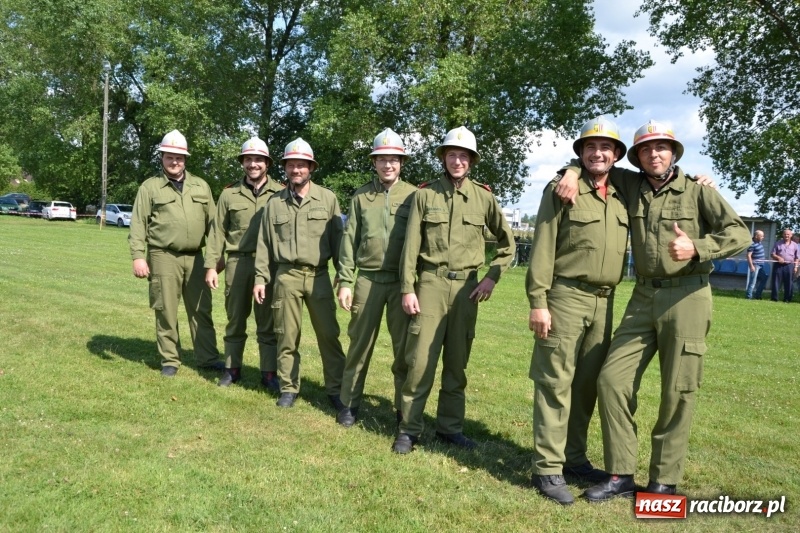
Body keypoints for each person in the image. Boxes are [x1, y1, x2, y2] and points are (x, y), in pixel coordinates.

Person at [555, 120, 750, 500]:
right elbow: (597, 162)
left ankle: (664, 481)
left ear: (673, 153)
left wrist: (697, 248)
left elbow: (739, 233)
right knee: (612, 380)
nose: (654, 154)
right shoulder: (631, 184)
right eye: (646, 149)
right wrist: (571, 169)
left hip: (688, 297)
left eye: (661, 148)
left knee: (677, 391)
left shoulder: (697, 191)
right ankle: (620, 475)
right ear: (638, 157)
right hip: (642, 298)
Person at [391, 126, 515, 454]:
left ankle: (449, 428)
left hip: (467, 289)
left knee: (457, 363)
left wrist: (492, 277)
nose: (457, 161)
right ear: (443, 158)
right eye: (451, 155)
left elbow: (508, 244)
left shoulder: (484, 197)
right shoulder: (425, 195)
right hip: (429, 284)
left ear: (471, 161)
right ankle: (409, 428)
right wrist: (408, 288)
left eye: (463, 155)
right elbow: (410, 247)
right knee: (419, 361)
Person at [526, 117, 629, 505]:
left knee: (586, 385)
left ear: (616, 155)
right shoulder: (562, 189)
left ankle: (572, 458)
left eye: (605, 147)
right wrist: (539, 301)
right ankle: (547, 469)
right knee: (555, 382)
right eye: (589, 147)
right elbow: (543, 245)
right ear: (580, 153)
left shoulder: (622, 194)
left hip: (605, 301)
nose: (597, 152)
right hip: (565, 296)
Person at [253, 138, 346, 408]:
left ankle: (336, 390)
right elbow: (264, 243)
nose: (296, 170)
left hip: (319, 277)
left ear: (311, 168)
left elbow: (338, 239)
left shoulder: (327, 198)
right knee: (286, 335)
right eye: (291, 165)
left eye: (301, 165)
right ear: (285, 168)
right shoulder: (274, 203)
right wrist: (260, 278)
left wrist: (342, 275)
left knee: (329, 335)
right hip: (286, 277)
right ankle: (288, 388)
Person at [335, 129, 417, 427]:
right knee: (359, 345)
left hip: (401, 284)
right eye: (382, 160)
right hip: (367, 280)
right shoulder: (361, 196)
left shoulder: (414, 195)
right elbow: (349, 240)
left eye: (393, 159)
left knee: (405, 350)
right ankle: (349, 403)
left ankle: (402, 408)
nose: (388, 165)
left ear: (401, 162)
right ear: (375, 162)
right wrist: (345, 281)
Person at [129, 130, 222, 377]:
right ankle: (170, 360)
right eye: (170, 157)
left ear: (185, 159)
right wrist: (138, 256)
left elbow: (215, 226)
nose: (175, 162)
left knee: (202, 310)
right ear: (162, 157)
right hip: (163, 256)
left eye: (179, 157)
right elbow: (138, 223)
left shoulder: (201, 185)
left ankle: (208, 357)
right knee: (166, 309)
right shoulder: (150, 187)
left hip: (196, 257)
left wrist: (213, 260)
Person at [204, 137, 285, 389]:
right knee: (235, 319)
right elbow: (217, 231)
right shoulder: (229, 194)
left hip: (270, 266)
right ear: (242, 163)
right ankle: (232, 369)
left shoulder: (281, 193)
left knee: (268, 322)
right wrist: (210, 266)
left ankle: (269, 373)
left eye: (258, 159)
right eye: (248, 159)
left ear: (267, 163)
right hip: (237, 263)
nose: (253, 164)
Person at [770, 229, 799, 303]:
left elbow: (797, 257)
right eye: (785, 234)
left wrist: (796, 267)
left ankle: (787, 299)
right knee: (776, 283)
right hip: (778, 265)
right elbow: (772, 254)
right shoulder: (777, 243)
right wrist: (778, 257)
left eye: (788, 234)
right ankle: (774, 299)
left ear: (791, 235)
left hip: (790, 266)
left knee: (789, 283)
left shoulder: (795, 245)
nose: (786, 236)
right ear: (783, 235)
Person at [745, 230, 767, 300]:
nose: (763, 237)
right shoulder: (752, 244)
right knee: (753, 282)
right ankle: (749, 297)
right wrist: (751, 266)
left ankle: (758, 295)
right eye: (761, 236)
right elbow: (748, 256)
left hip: (761, 265)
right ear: (756, 236)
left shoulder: (759, 242)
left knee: (764, 278)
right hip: (755, 265)